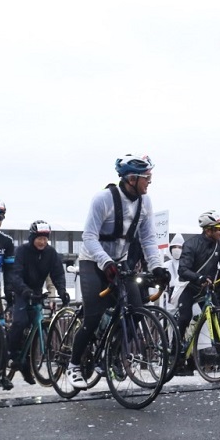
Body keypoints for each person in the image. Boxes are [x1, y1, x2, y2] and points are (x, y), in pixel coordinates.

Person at [67, 154, 170, 389]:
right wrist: (105, 262)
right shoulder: (103, 199)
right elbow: (89, 237)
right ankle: (73, 365)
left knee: (136, 311)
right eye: (147, 178)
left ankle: (111, 355)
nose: (149, 182)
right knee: (93, 317)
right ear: (131, 178)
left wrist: (157, 266)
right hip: (92, 260)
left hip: (119, 262)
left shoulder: (146, 202)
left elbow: (148, 239)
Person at [175, 210, 220, 373]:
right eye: (218, 228)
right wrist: (199, 277)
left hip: (207, 288)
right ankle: (174, 354)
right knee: (185, 318)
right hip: (190, 287)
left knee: (217, 322)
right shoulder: (191, 244)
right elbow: (182, 270)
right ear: (208, 230)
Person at [4, 220, 69, 384]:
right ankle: (11, 354)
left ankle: (27, 365)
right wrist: (24, 291)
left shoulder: (51, 253)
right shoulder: (22, 251)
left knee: (35, 323)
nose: (42, 242)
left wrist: (62, 292)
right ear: (32, 237)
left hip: (37, 292)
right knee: (21, 322)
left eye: (45, 239)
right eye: (39, 238)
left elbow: (58, 275)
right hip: (22, 292)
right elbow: (15, 274)